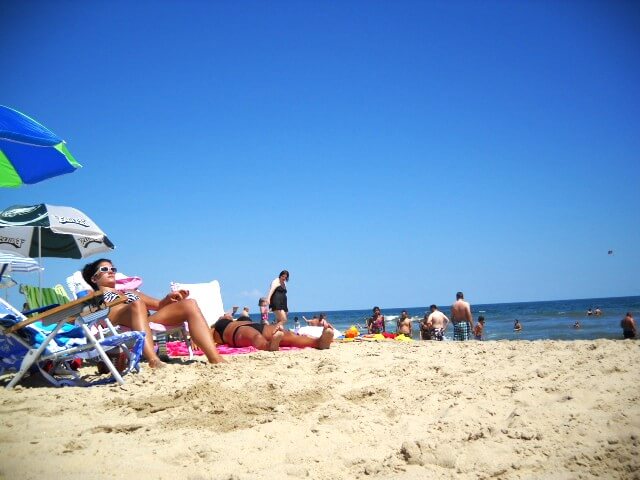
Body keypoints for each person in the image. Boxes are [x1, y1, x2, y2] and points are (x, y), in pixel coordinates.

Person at [82, 258, 225, 367]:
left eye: (113, 268)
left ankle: (215, 358)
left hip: (143, 319)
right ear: (94, 278)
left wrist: (170, 298)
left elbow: (159, 305)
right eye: (105, 269)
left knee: (190, 304)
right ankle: (153, 359)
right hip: (117, 320)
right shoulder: (93, 295)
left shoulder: (129, 292)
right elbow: (86, 314)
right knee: (136, 304)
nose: (111, 271)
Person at [212, 314, 333, 350]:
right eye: (223, 315)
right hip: (237, 331)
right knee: (256, 337)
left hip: (256, 326)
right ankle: (269, 345)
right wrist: (194, 340)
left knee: (288, 334)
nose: (225, 314)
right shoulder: (218, 325)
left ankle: (319, 342)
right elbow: (207, 334)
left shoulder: (239, 319)